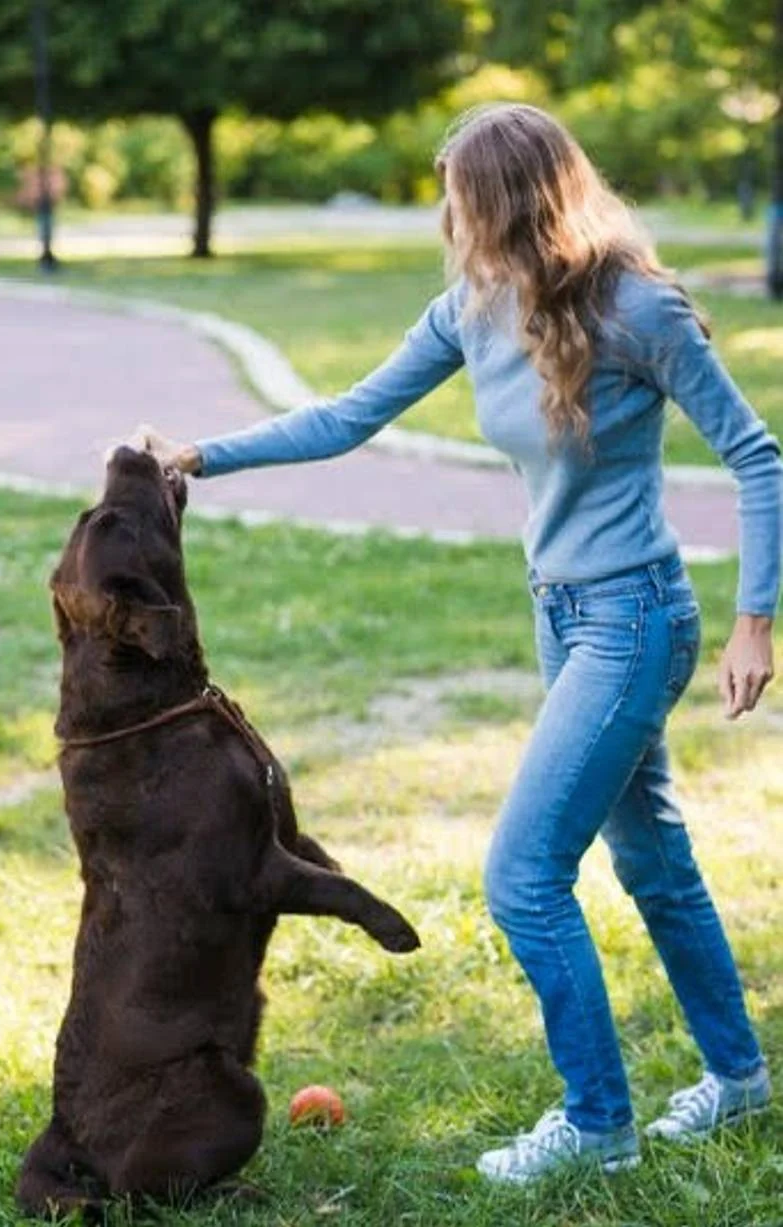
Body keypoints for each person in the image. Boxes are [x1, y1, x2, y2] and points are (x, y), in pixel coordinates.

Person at [138, 104, 780, 1185]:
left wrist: (753, 619)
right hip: (563, 614)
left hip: (634, 618)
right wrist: (203, 454)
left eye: (458, 195)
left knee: (524, 877)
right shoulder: (474, 307)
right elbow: (347, 417)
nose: (446, 214)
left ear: (509, 201)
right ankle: (738, 1078)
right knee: (654, 862)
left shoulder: (639, 308)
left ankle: (597, 1123)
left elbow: (757, 457)